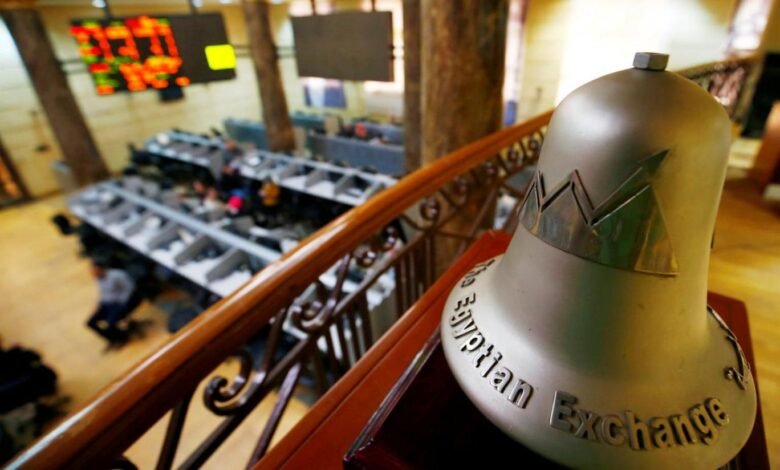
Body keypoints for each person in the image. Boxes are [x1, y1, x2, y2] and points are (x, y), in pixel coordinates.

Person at [86, 260, 142, 345]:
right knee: (90, 323)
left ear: (101, 269)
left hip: (120, 303)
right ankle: (112, 339)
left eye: (95, 272)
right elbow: (103, 294)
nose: (94, 274)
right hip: (107, 305)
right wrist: (98, 306)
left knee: (110, 323)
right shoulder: (99, 279)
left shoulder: (117, 275)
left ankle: (122, 338)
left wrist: (121, 302)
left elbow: (129, 288)